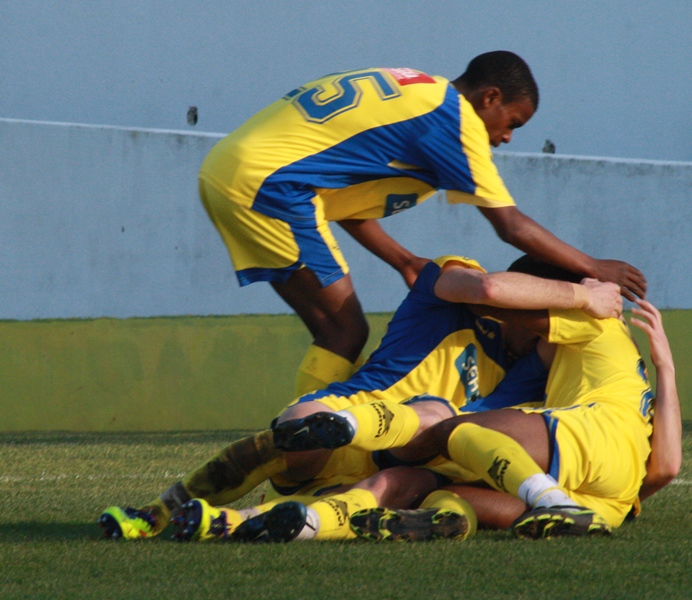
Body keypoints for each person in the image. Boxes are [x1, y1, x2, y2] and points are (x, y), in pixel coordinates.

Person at [198, 50, 646, 397]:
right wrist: (593, 266)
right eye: (512, 122)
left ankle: (310, 437)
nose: (507, 137)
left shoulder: (419, 92)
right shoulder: (455, 121)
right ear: (490, 97)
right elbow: (509, 224)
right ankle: (302, 453)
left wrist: (403, 260)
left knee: (337, 329)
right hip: (271, 185)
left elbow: (344, 199)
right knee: (344, 331)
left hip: (235, 169)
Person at [99, 256, 621, 539]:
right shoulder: (451, 286)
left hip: (395, 463)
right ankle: (155, 514)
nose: (548, 331)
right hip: (335, 426)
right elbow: (487, 290)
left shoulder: (530, 374)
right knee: (300, 425)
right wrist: (583, 293)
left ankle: (226, 524)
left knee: (420, 454)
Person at [274, 261, 679, 541]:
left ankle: (350, 428)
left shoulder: (594, 321)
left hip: (586, 437)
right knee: (446, 491)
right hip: (617, 499)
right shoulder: (619, 366)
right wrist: (667, 369)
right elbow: (665, 470)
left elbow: (485, 295)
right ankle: (445, 521)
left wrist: (580, 293)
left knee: (450, 431)